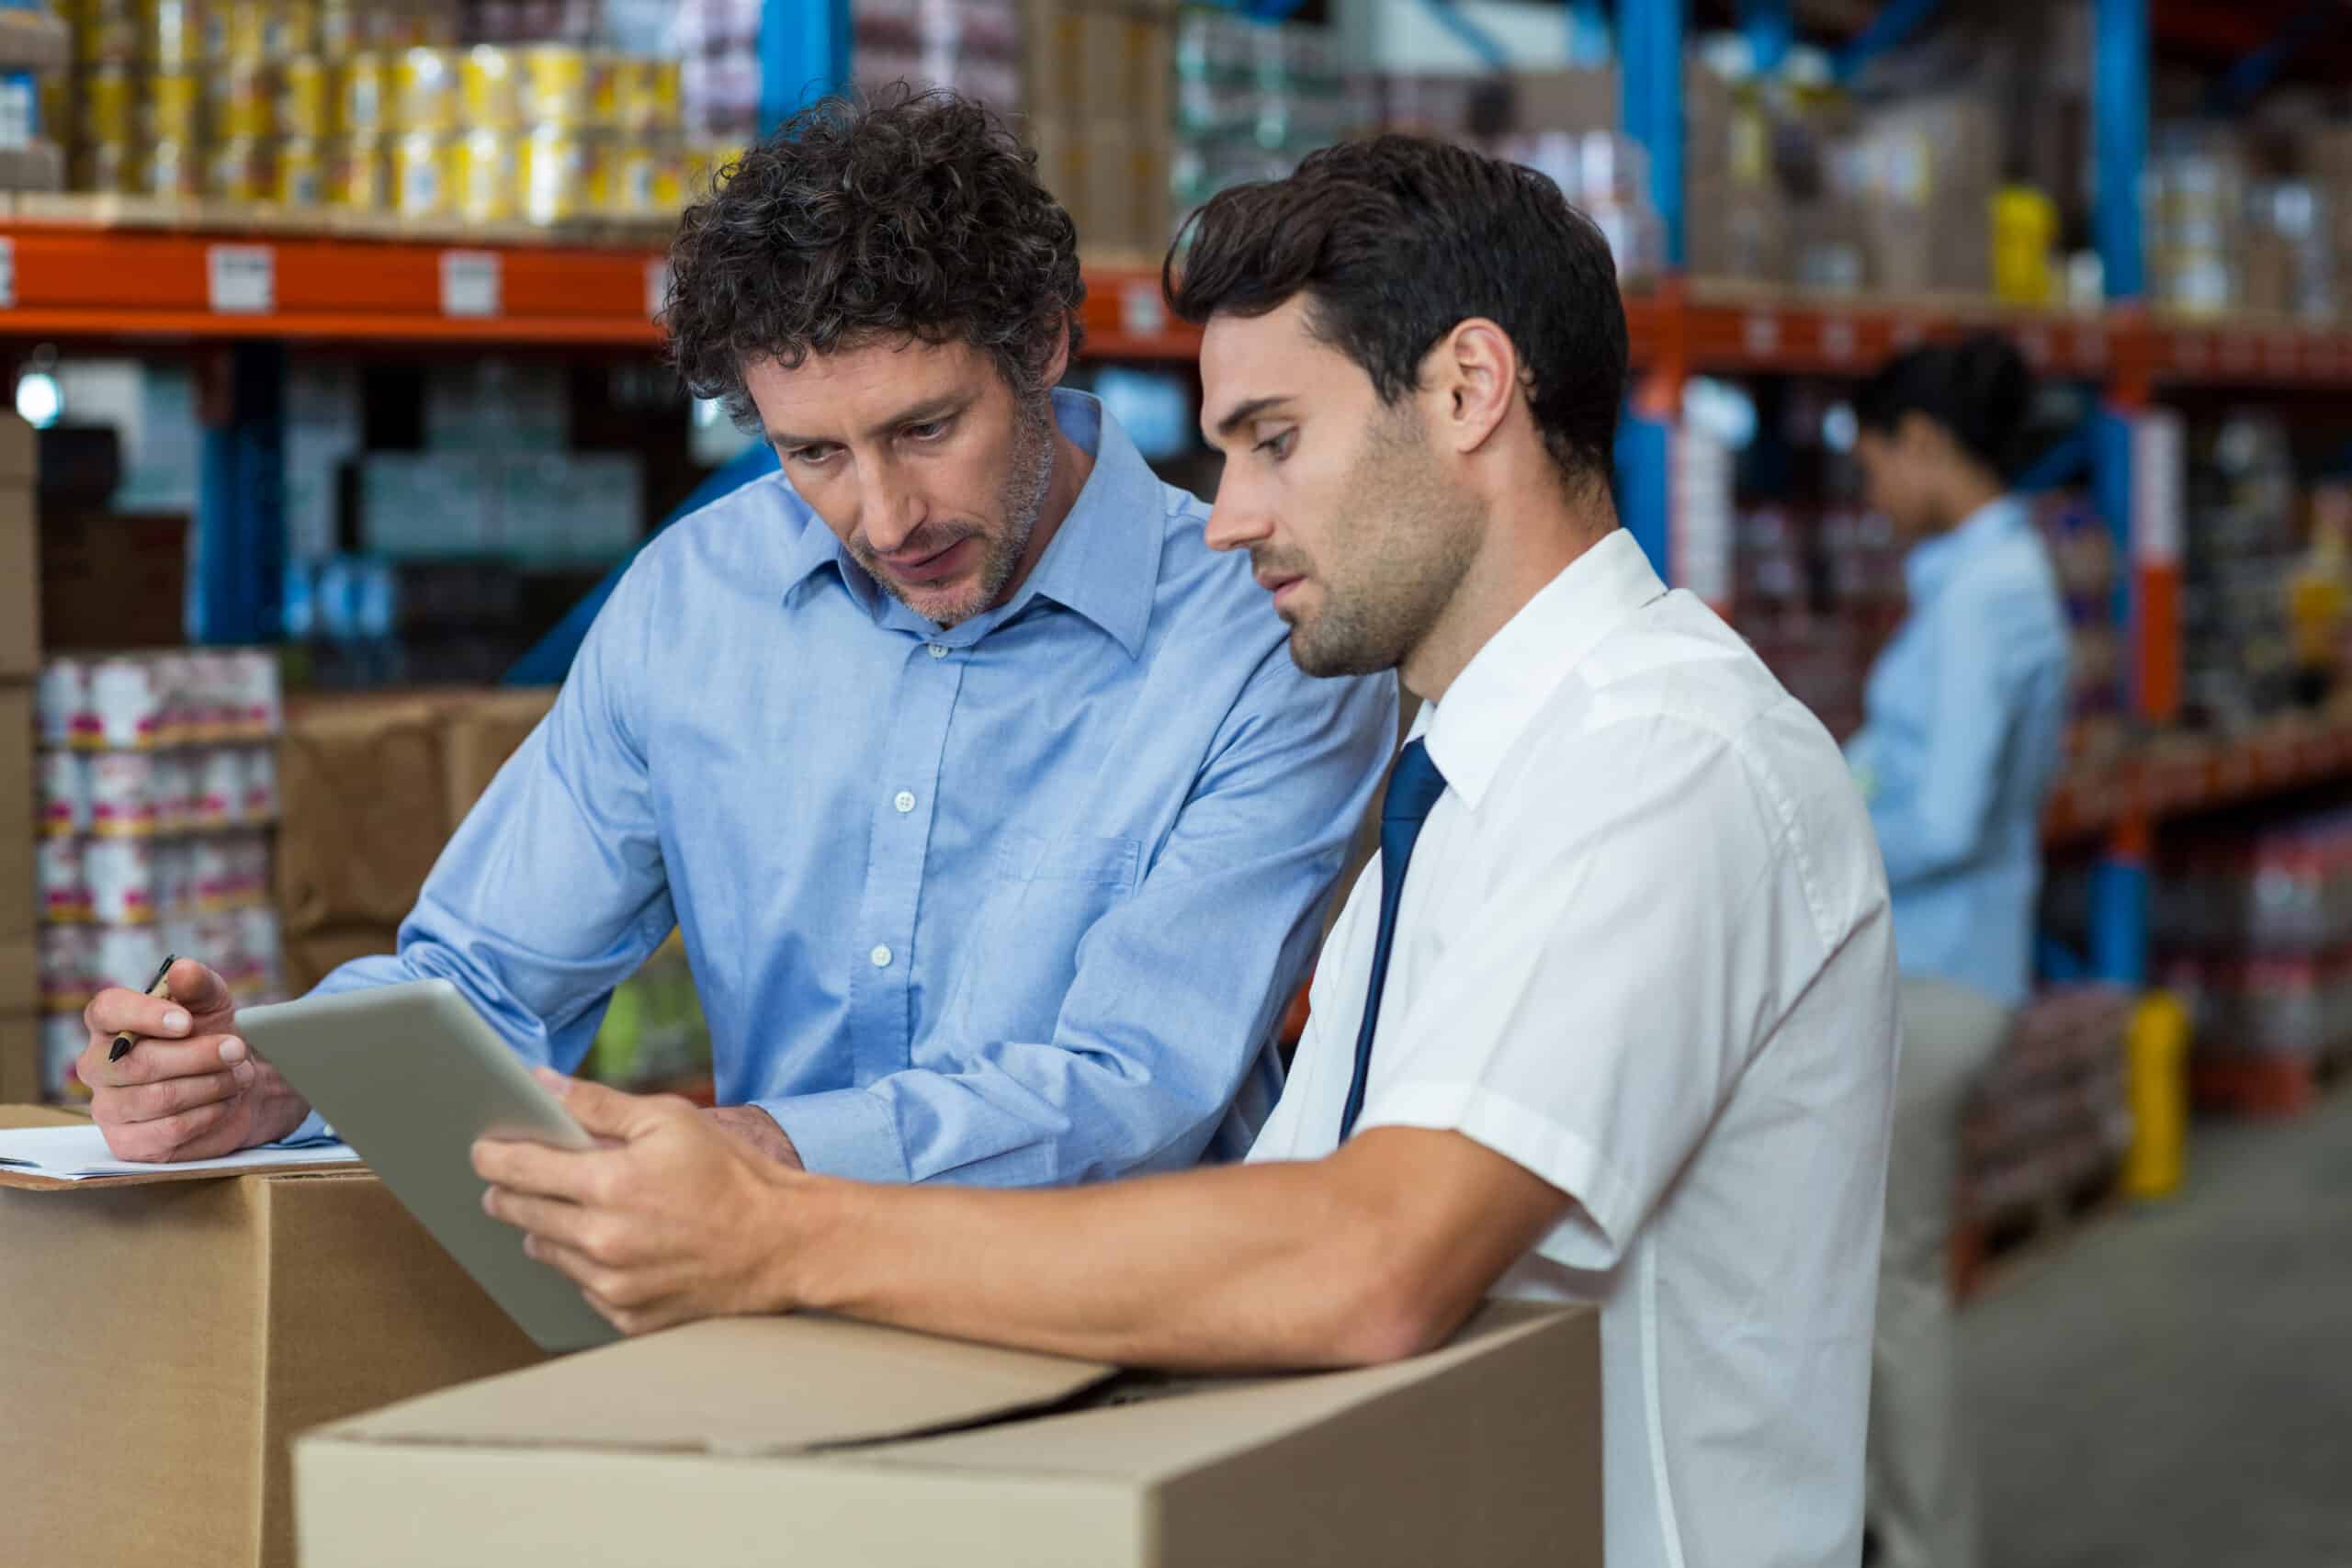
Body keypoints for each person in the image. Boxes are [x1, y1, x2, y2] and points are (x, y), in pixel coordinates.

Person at [476, 134, 1902, 1568]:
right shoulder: (1474, 776)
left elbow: (1369, 1259)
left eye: (1273, 441)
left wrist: (783, 1233)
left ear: (1470, 390)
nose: (1224, 518)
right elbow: (1282, 1222)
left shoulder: (1659, 759)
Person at [72, 90, 1396, 1188]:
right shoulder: (696, 600)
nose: (882, 516)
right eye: (810, 452)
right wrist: (268, 1080)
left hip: (1128, 1341)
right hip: (761, 1318)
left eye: (926, 430)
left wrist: (750, 1152)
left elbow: (1135, 1089)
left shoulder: (1263, 632)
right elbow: (480, 979)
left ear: (1045, 347)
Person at [1844, 333, 2071, 1568]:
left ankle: (1930, 1548)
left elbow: (1943, 813)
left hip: (1941, 972)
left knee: (1898, 1287)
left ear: (1925, 443)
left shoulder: (1991, 596)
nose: (1873, 497)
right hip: (1932, 960)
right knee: (1884, 1281)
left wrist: (1806, 845)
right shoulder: (1975, 584)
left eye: (1876, 462)